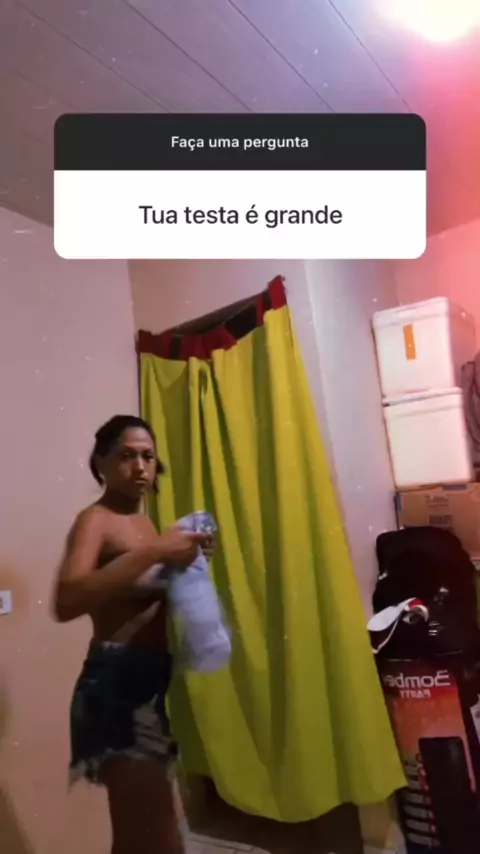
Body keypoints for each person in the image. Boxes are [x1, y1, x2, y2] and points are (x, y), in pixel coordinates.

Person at [52, 414, 213, 854]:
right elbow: (66, 600)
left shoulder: (143, 525)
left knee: (136, 836)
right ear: (101, 463)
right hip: (114, 688)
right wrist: (157, 551)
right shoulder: (96, 520)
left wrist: (187, 563)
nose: (140, 467)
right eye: (126, 456)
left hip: (150, 684)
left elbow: (138, 592)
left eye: (148, 456)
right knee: (160, 837)